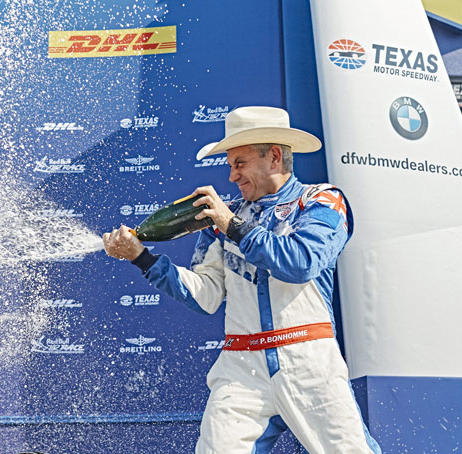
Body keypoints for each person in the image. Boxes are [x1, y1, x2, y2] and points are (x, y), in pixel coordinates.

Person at [103, 107, 381, 453]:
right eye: (230, 165)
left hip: (308, 359)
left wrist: (232, 226)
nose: (232, 176)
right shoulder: (222, 219)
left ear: (274, 157)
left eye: (240, 163)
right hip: (241, 367)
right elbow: (206, 296)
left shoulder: (321, 200)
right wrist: (142, 258)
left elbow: (301, 263)